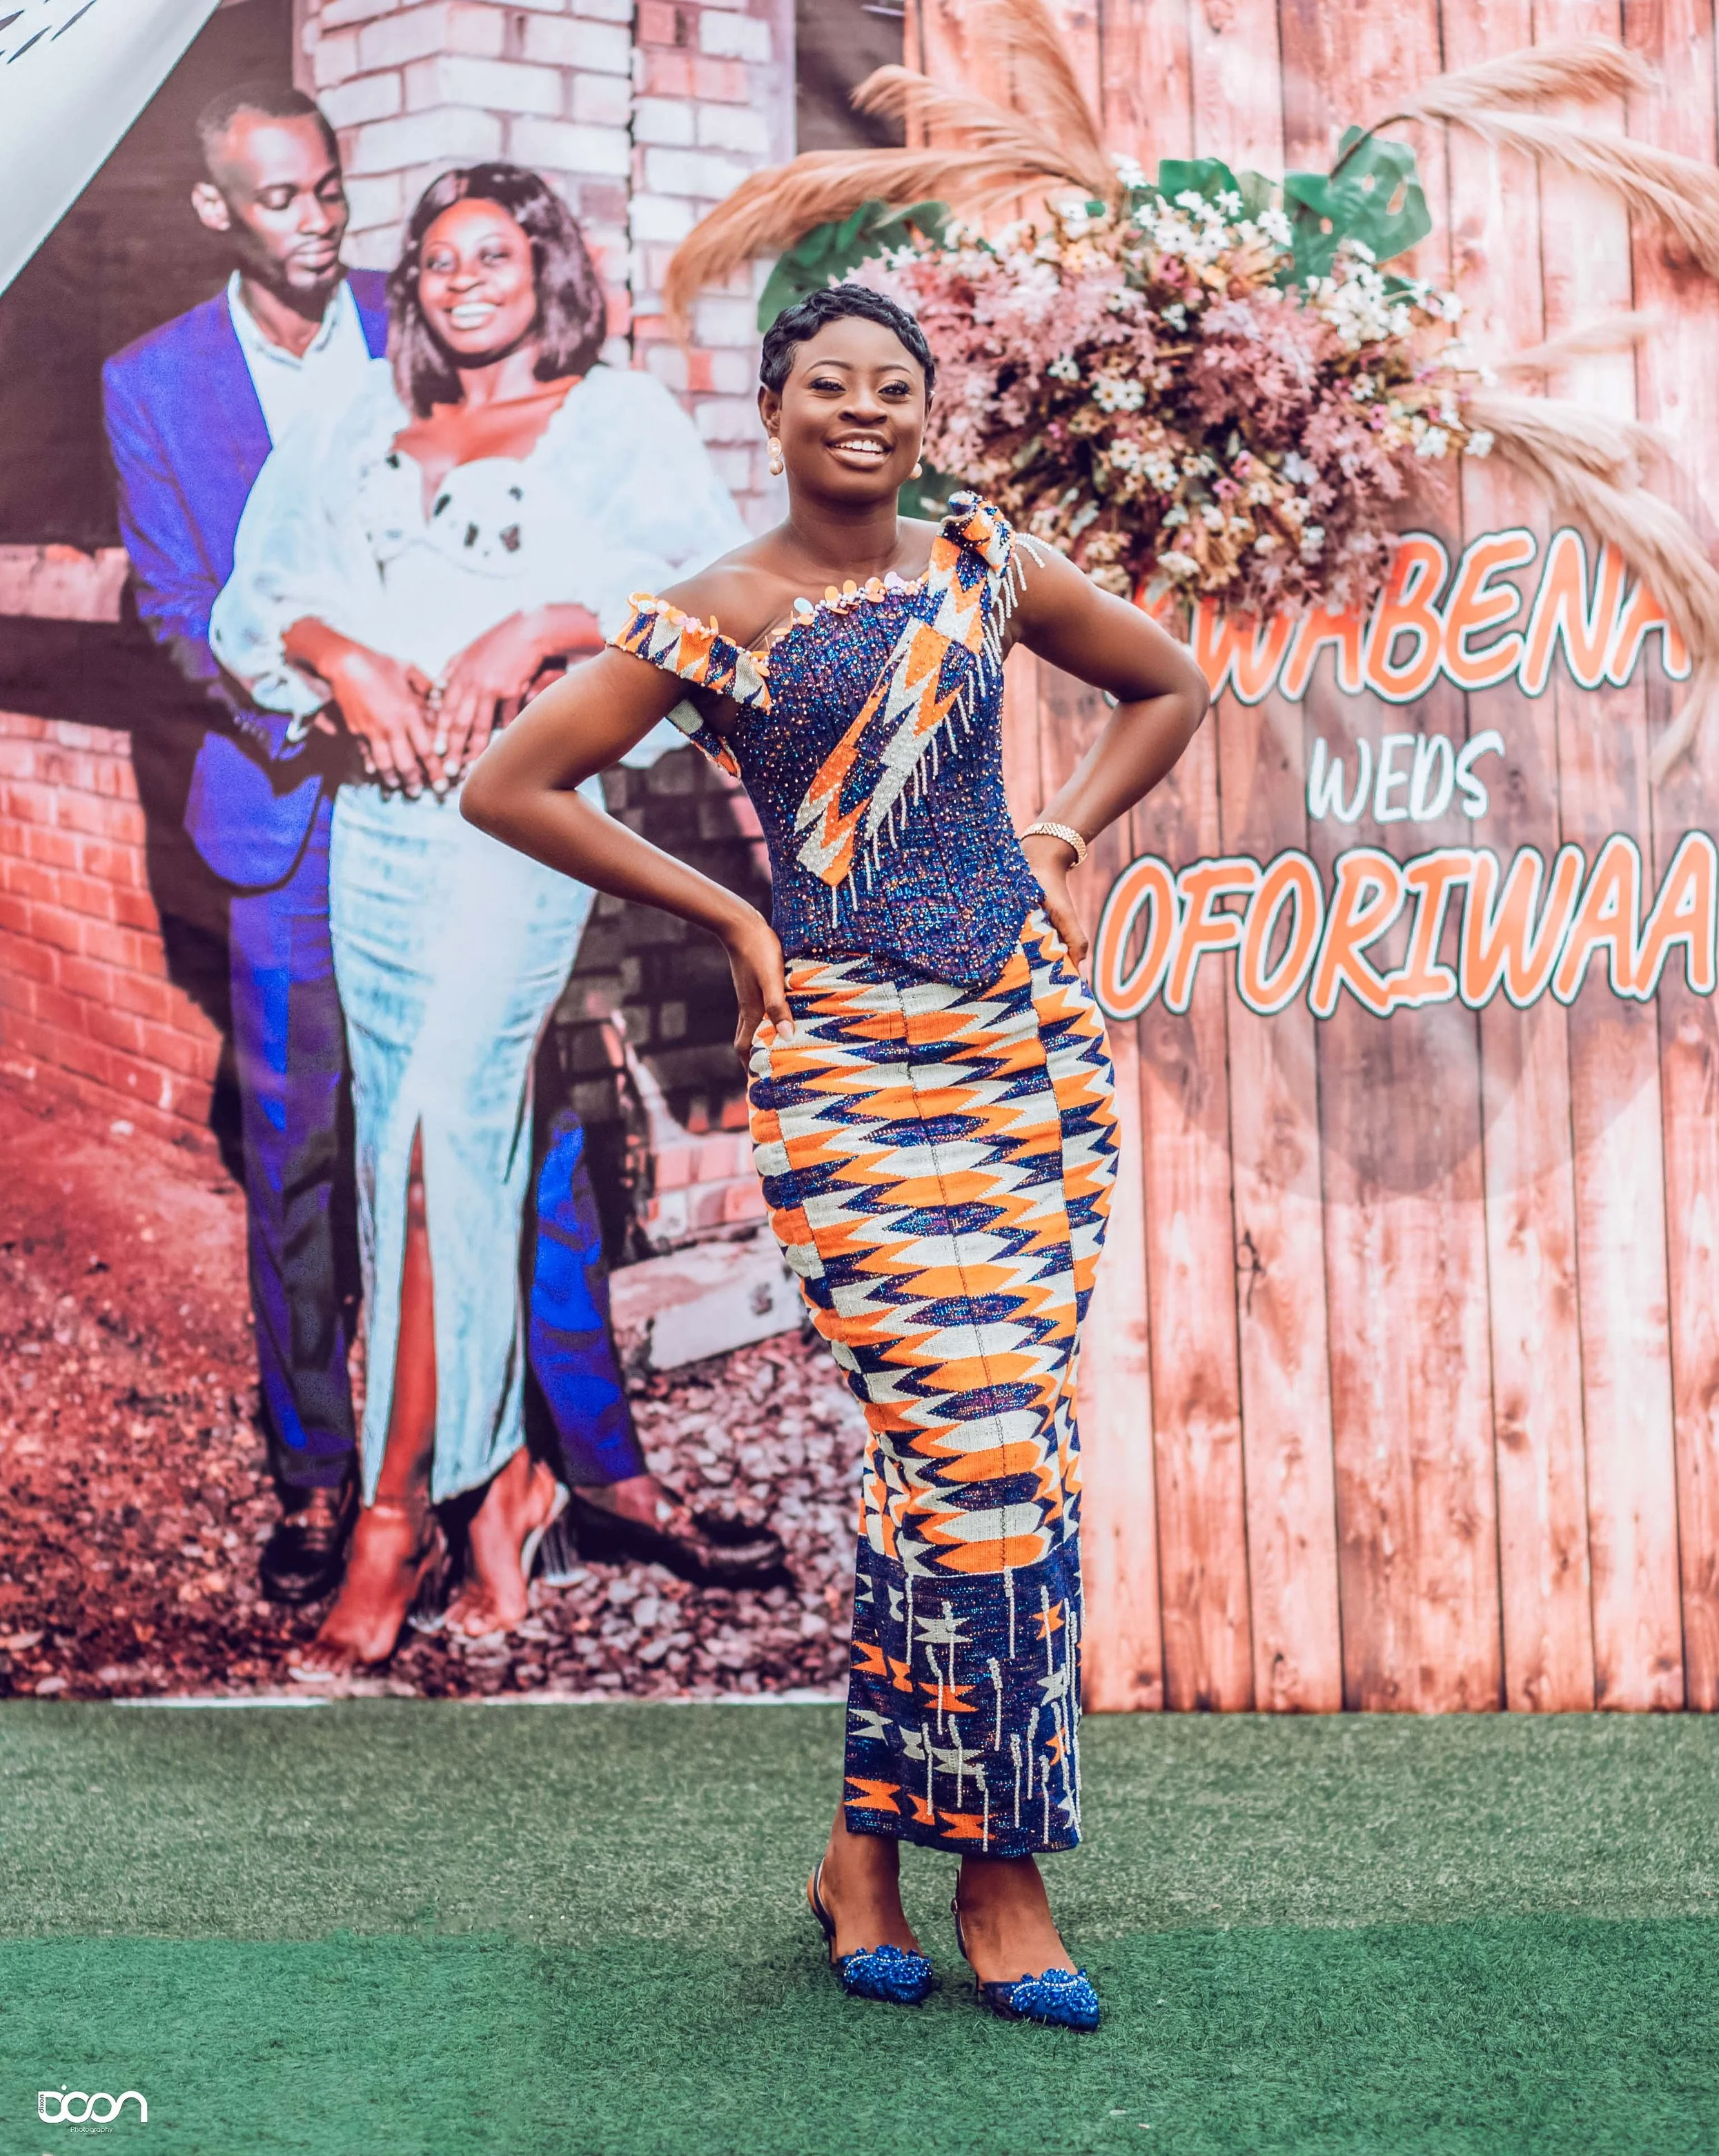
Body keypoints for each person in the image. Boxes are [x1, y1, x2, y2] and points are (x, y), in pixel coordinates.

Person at [460, 284, 1208, 2027]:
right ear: (773, 406)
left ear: (922, 411)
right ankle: (1002, 1875)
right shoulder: (711, 613)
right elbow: (515, 782)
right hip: (848, 1060)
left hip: (1025, 1054)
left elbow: (1165, 684)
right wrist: (727, 907)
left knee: (973, 1448)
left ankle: (868, 1853)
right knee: (963, 1442)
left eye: (892, 386)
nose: (862, 411)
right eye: (828, 386)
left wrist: (1059, 829)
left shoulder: (984, 564)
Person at [210, 164, 780, 1675]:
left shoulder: (616, 420)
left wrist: (542, 622)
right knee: (431, 1151)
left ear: (546, 267)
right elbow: (258, 595)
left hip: (514, 837)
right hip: (374, 833)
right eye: (436, 257)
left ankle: (392, 1514)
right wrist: (341, 654)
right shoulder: (357, 419)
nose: (460, 278)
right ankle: (509, 1485)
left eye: (491, 253)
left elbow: (718, 603)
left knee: (429, 1149)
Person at [103, 82, 388, 1605]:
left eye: (331, 189)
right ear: (220, 209)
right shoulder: (151, 380)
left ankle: (534, 1454)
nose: (318, 220)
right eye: (281, 198)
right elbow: (170, 599)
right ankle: (316, 1475)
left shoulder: (422, 318)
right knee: (295, 1156)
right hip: (282, 806)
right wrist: (315, 711)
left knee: (510, 1129)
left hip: (448, 798)